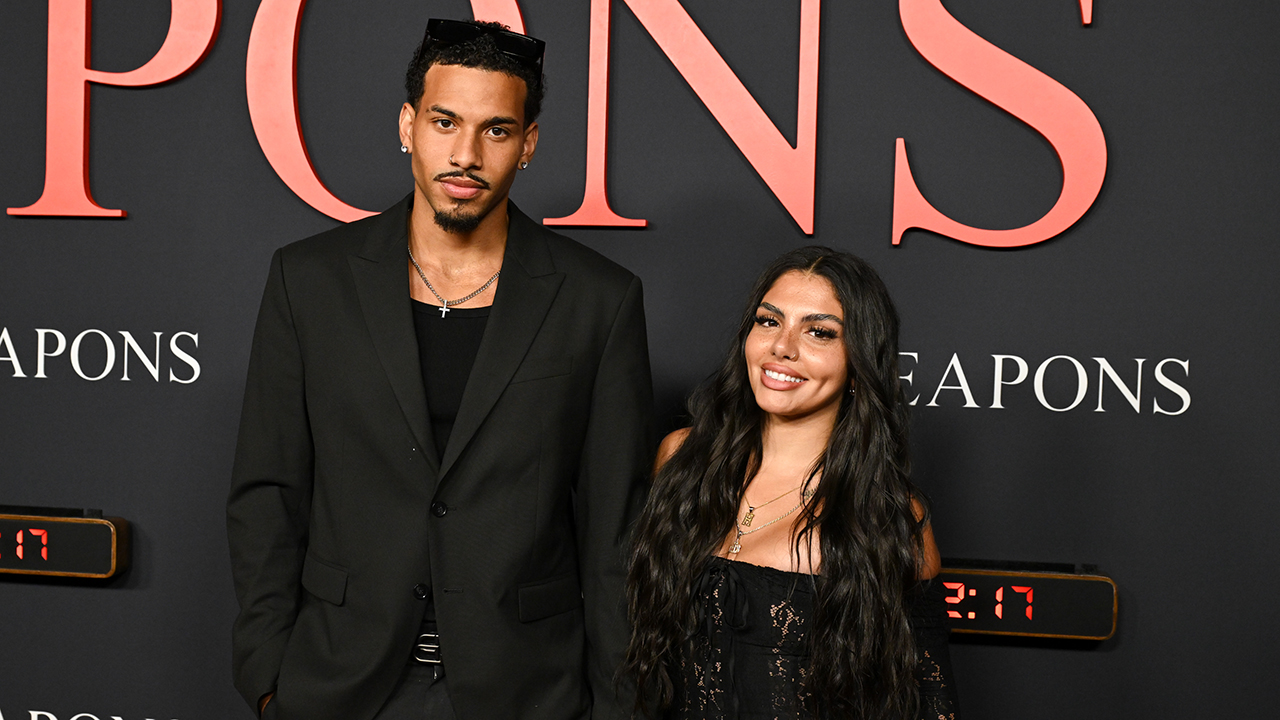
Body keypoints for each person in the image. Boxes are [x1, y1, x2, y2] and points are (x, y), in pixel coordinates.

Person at [227, 18, 653, 720]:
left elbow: (616, 531)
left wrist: (617, 705)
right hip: (338, 683)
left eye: (496, 130)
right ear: (407, 125)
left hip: (526, 691)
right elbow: (267, 493)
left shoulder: (599, 301)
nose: (465, 154)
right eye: (444, 121)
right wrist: (268, 674)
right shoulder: (309, 281)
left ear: (529, 145)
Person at [623, 247, 959, 719]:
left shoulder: (887, 516)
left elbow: (926, 704)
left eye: (819, 332)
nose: (783, 346)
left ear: (859, 362)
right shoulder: (681, 458)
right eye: (768, 321)